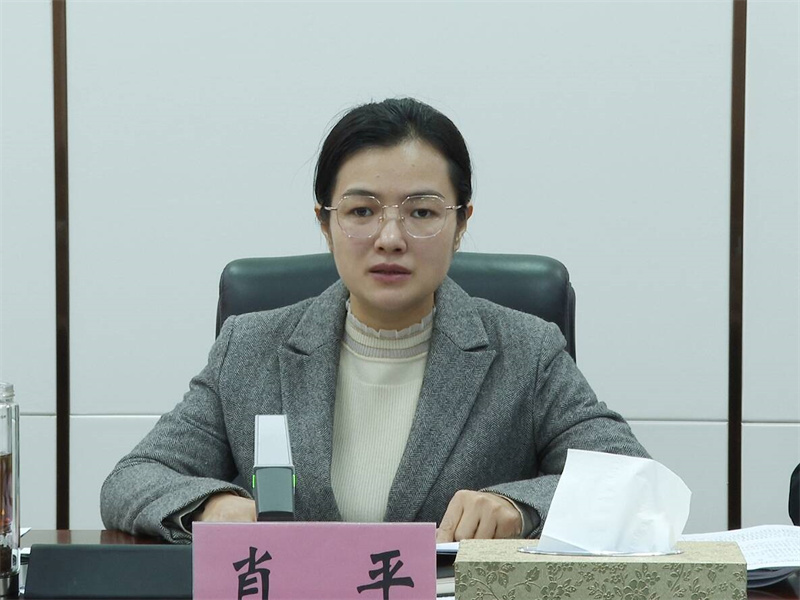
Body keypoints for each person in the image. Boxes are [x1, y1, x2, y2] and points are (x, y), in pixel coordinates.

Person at [100, 97, 649, 544]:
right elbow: (132, 480)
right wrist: (210, 504)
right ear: (325, 223)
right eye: (362, 211)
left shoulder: (526, 352)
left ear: (461, 224)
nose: (390, 238)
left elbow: (631, 479)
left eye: (422, 212)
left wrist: (519, 506)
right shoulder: (250, 348)